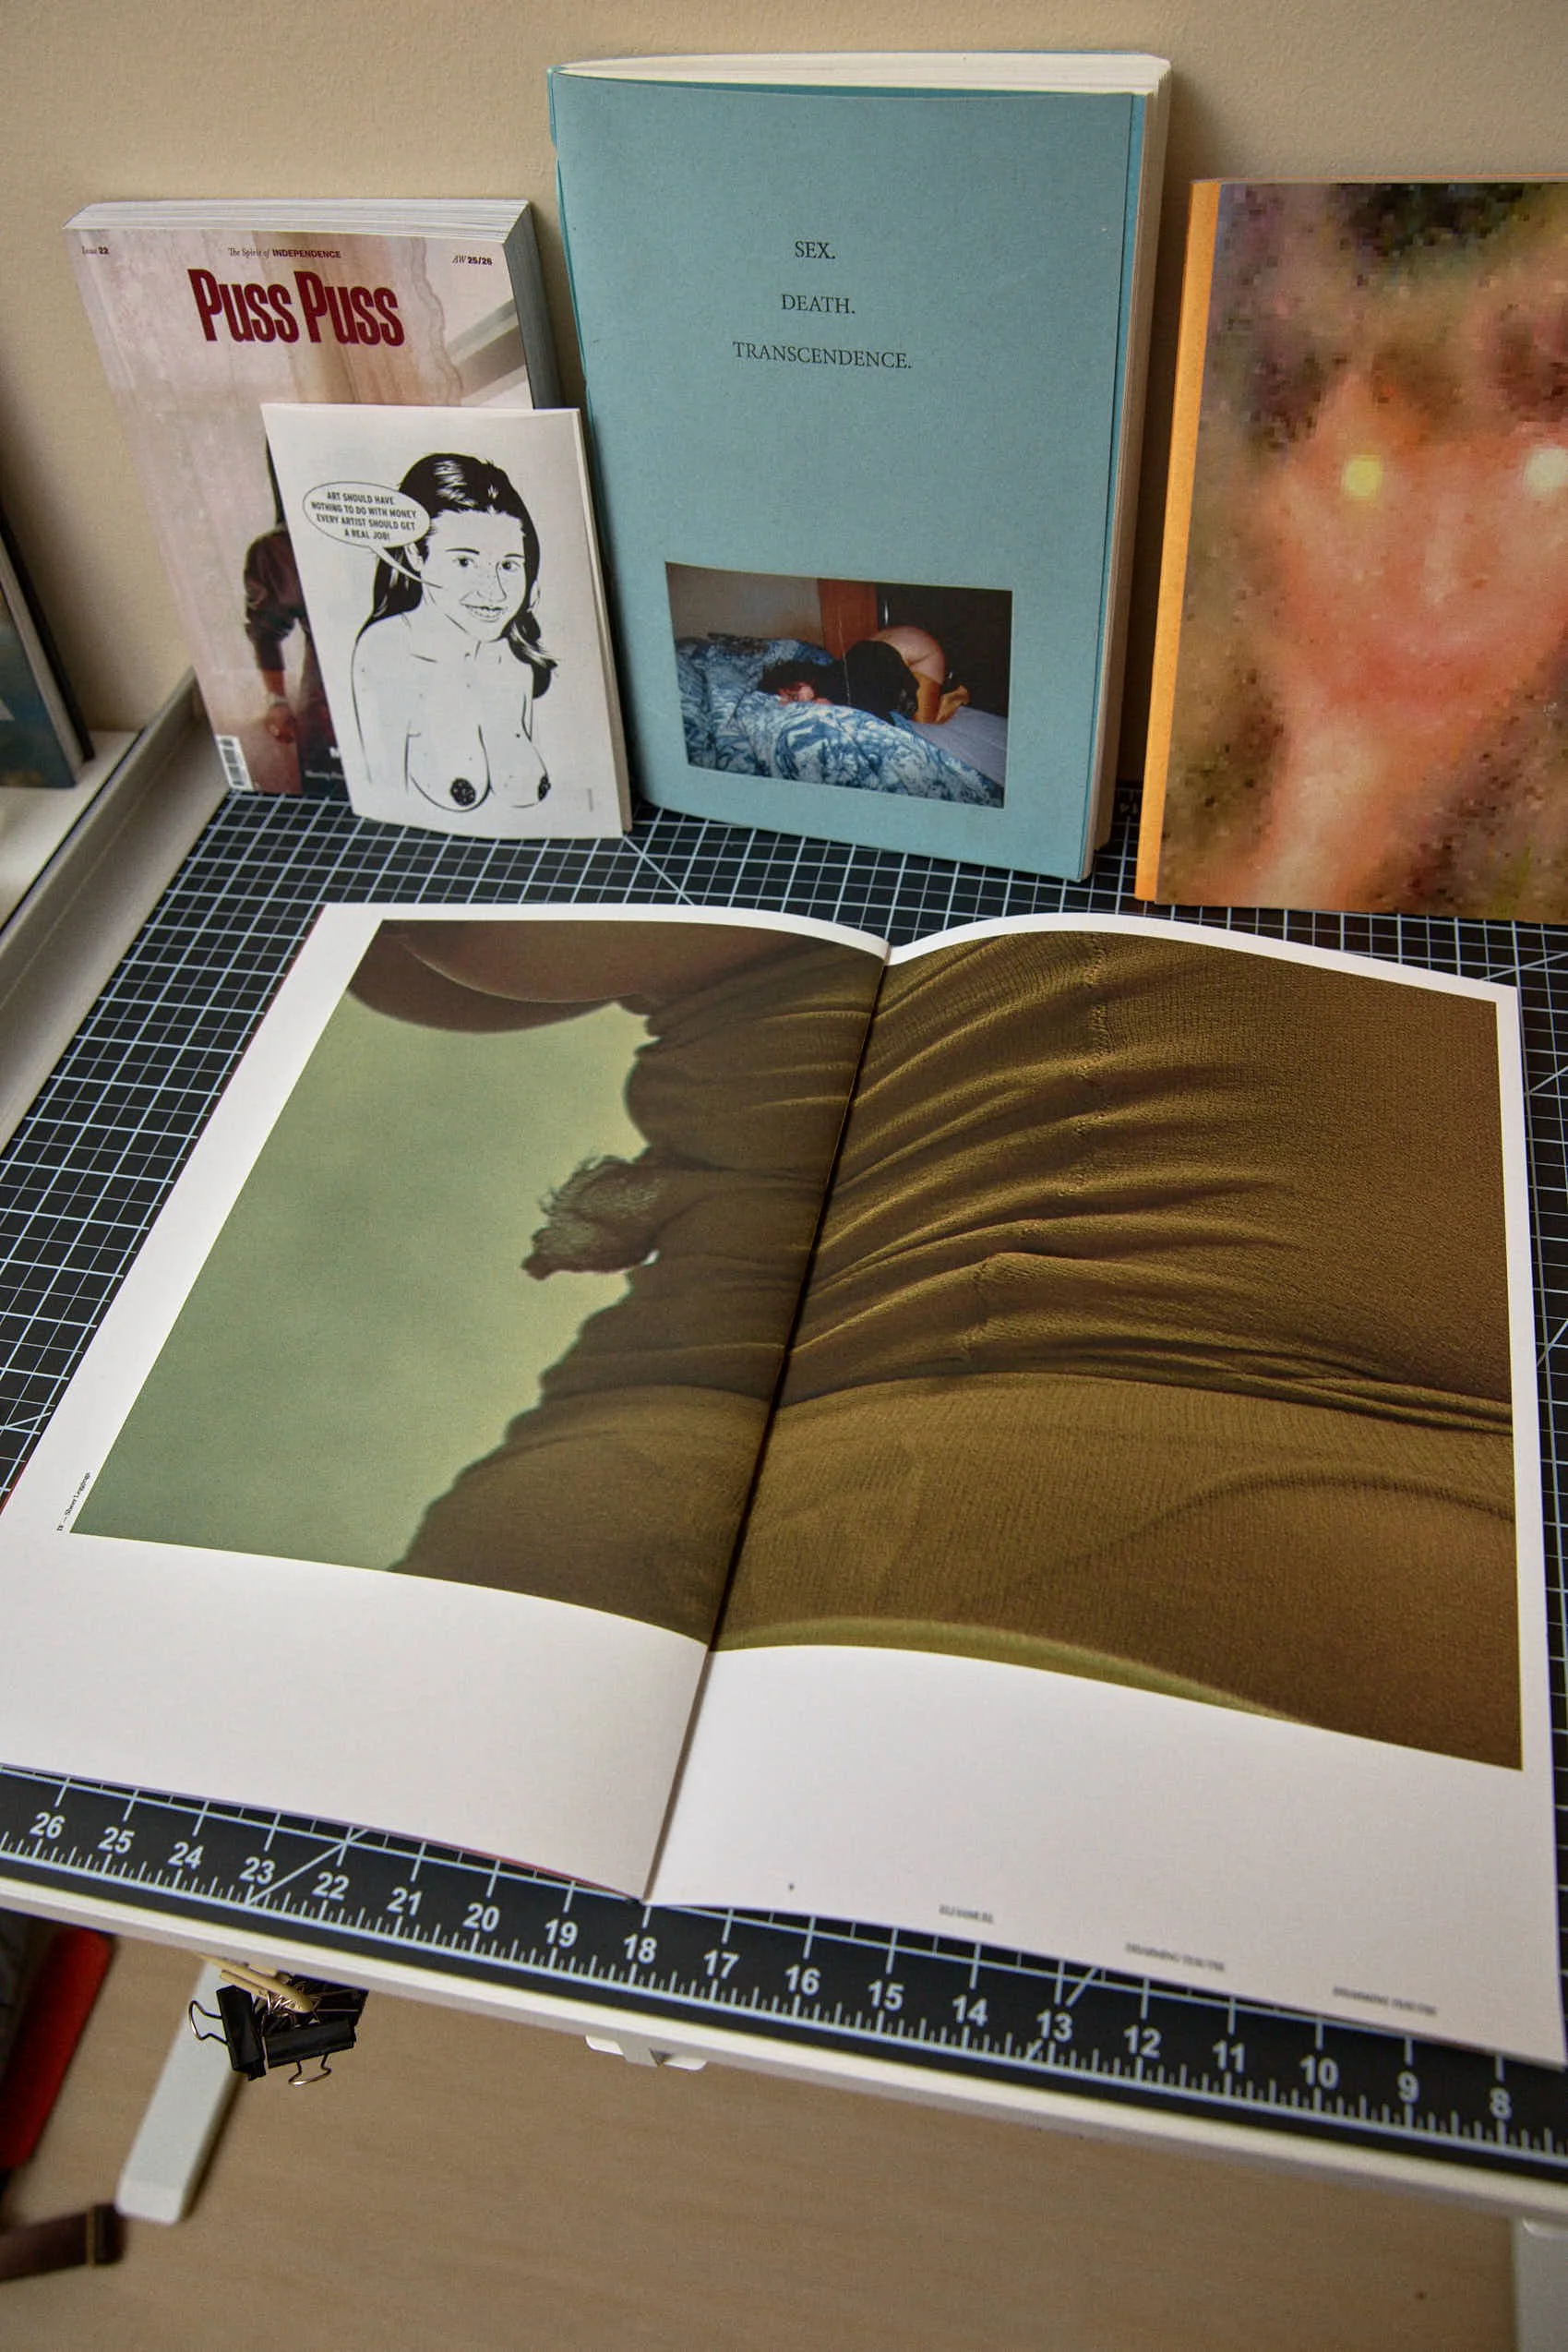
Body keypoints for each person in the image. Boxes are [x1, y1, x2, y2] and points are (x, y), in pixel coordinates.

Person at [351, 453, 555, 820]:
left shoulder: (514, 657)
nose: (493, 592)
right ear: (415, 553)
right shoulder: (387, 652)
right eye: (465, 562)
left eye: (508, 566)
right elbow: (385, 803)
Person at [762, 625, 970, 725]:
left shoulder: (835, 688)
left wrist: (833, 708)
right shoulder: (823, 678)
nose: (799, 704)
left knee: (925, 722)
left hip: (921, 652)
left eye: (795, 696)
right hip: (888, 642)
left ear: (800, 679)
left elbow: (884, 722)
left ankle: (952, 692)